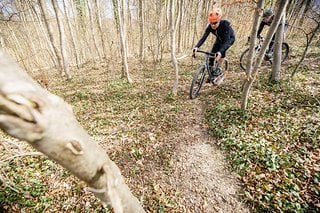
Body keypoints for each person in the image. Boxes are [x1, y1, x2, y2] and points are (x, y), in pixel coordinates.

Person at [192, 8, 235, 83]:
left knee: (221, 52)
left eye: (215, 23)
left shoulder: (225, 26)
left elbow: (226, 42)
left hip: (229, 40)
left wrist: (220, 52)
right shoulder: (210, 27)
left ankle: (218, 68)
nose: (213, 25)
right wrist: (196, 47)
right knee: (211, 57)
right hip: (219, 40)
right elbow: (203, 38)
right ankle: (210, 74)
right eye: (211, 23)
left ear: (219, 20)